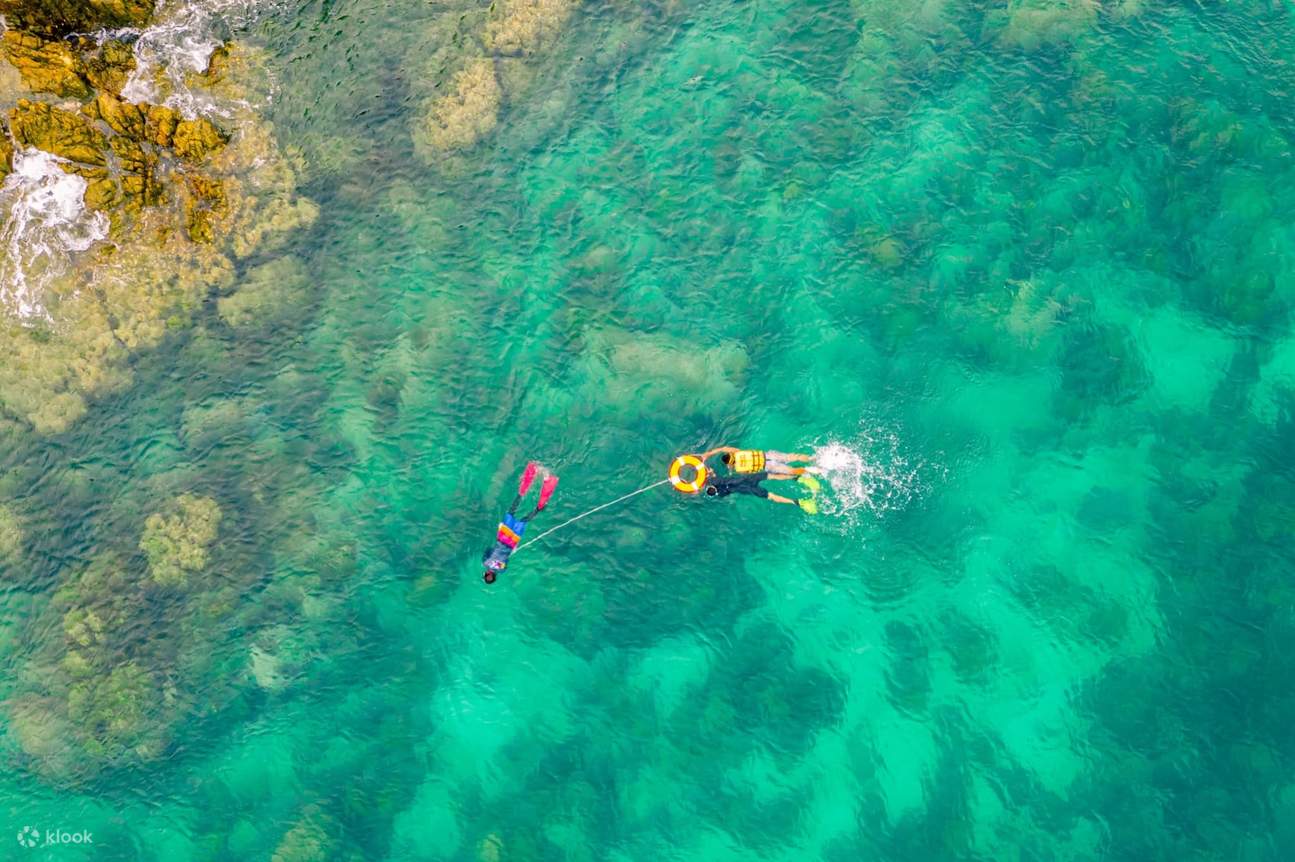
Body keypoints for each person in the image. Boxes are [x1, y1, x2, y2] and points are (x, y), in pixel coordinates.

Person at [482, 462, 559, 583]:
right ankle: (521, 494)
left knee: (523, 520)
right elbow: (488, 550)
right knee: (511, 512)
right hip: (502, 537)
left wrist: (510, 551)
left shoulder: (502, 570)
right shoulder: (485, 563)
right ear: (486, 574)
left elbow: (506, 560)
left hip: (512, 542)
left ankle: (538, 509)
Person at [702, 468, 818, 513]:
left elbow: (727, 494)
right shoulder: (715, 481)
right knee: (773, 476)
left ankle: (799, 503)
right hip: (747, 479)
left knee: (772, 496)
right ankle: (799, 478)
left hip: (749, 490)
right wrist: (710, 473)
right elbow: (713, 475)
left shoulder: (721, 494)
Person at [700, 446, 817, 476]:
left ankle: (807, 470)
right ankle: (812, 458)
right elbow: (724, 448)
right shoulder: (738, 452)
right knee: (792, 457)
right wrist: (708, 454)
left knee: (792, 471)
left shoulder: (738, 468)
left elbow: (748, 472)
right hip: (769, 455)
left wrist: (731, 471)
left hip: (769, 466)